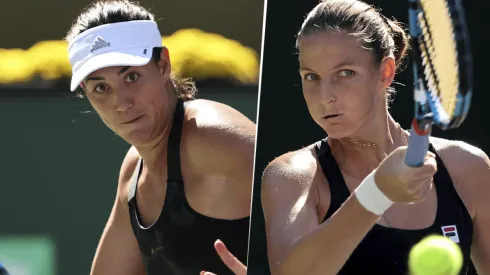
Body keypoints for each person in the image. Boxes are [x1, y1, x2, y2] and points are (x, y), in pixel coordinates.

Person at [260, 0, 490, 274]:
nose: (325, 96)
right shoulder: (292, 176)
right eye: (312, 77)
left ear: (385, 71)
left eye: (345, 73)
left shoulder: (468, 168)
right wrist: (377, 192)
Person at [65, 1, 253, 274]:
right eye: (101, 87)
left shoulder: (211, 136)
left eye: (131, 77)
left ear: (163, 64)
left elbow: (327, 197)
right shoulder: (133, 170)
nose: (120, 103)